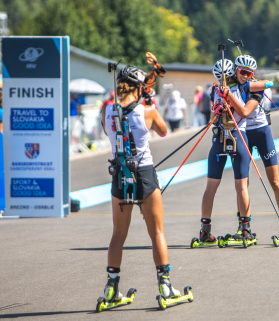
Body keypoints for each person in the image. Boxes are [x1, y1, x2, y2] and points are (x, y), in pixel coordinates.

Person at [100, 65, 182, 303]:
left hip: (119, 173)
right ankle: (165, 286)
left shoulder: (107, 111)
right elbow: (164, 131)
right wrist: (149, 103)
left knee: (118, 234)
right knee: (156, 231)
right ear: (138, 88)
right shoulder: (148, 111)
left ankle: (111, 288)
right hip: (144, 173)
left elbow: (109, 132)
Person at [226, 55, 279, 239]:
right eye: (242, 72)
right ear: (235, 70)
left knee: (275, 181)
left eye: (249, 73)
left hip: (261, 132)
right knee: (242, 184)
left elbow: (246, 111)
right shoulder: (233, 85)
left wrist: (243, 87)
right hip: (244, 133)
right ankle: (244, 226)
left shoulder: (255, 86)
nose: (245, 76)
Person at [197, 59, 261, 244]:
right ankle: (245, 229)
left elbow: (212, 117)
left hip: (219, 139)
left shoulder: (215, 90)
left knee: (210, 187)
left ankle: (205, 230)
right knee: (241, 187)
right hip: (238, 138)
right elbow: (244, 111)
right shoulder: (241, 87)